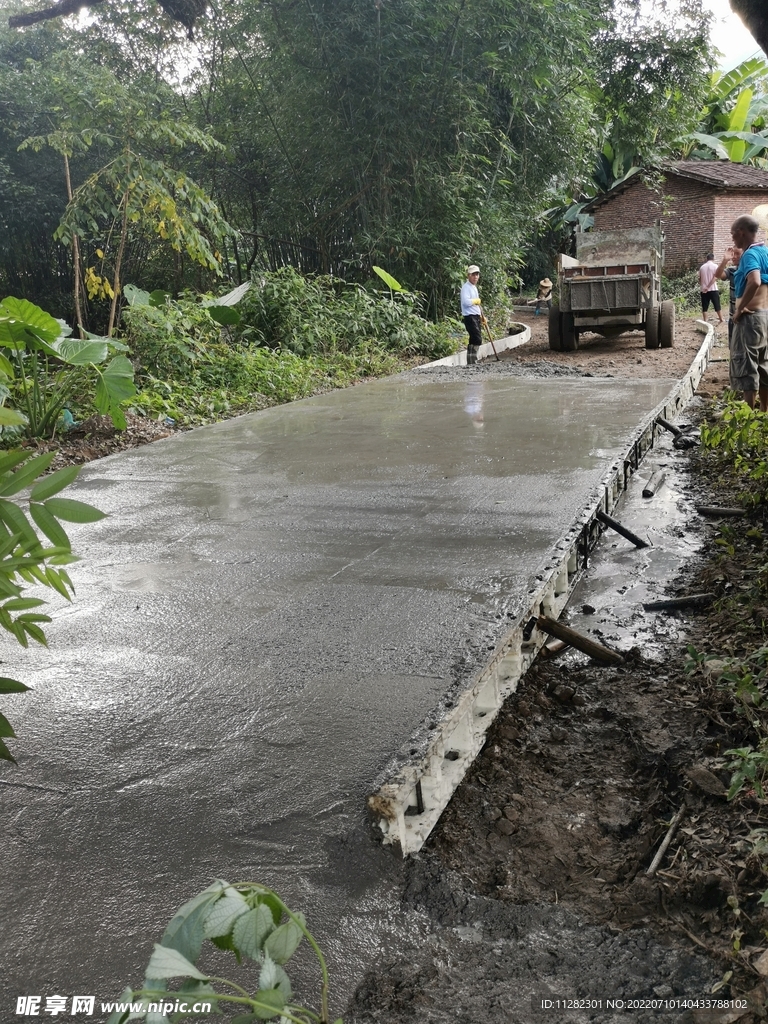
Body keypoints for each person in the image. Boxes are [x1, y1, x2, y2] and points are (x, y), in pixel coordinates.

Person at [730, 214, 768, 411]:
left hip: (750, 318)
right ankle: (763, 413)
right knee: (763, 365)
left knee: (747, 367)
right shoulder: (765, 252)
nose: (732, 239)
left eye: (733, 234)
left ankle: (748, 417)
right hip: (764, 316)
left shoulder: (750, 255)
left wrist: (739, 309)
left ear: (741, 232)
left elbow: (754, 281)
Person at [714, 246, 742, 343]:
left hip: (745, 316)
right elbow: (718, 275)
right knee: (733, 349)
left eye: (737, 254)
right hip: (733, 317)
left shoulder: (751, 271)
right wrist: (725, 260)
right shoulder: (732, 270)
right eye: (732, 254)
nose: (734, 257)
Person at [460, 265, 484, 365]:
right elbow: (466, 302)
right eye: (473, 275)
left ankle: (471, 362)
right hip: (469, 316)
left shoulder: (473, 287)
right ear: (469, 276)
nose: (475, 277)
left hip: (475, 316)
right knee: (477, 339)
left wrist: (482, 316)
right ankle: (473, 361)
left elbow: (477, 305)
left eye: (477, 274)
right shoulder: (466, 288)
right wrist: (475, 301)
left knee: (473, 339)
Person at [699, 252, 724, 325]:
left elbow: (700, 279)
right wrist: (708, 286)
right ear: (713, 259)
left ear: (706, 259)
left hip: (703, 290)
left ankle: (705, 320)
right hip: (713, 289)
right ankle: (721, 318)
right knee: (717, 305)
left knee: (704, 306)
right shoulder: (715, 266)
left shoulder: (702, 267)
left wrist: (704, 286)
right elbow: (715, 277)